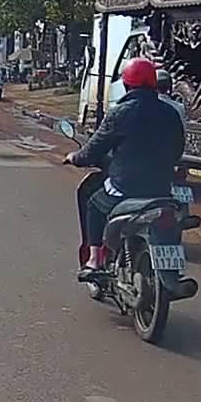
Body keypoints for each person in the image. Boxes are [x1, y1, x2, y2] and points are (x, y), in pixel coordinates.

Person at [65, 57, 185, 278]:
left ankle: (94, 260)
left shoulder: (120, 112)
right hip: (161, 189)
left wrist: (75, 157)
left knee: (93, 204)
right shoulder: (171, 112)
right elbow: (178, 149)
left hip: (125, 188)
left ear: (127, 84)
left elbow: (92, 151)